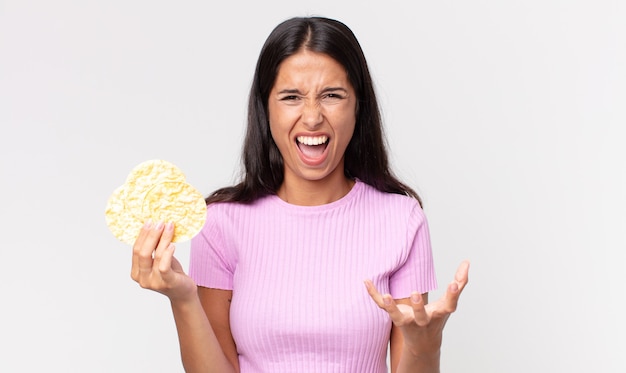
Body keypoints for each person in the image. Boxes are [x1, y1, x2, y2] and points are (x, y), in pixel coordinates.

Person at [131, 16, 469, 373]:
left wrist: (425, 344)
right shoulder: (220, 222)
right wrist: (183, 300)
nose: (312, 117)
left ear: (358, 106)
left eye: (332, 96)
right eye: (291, 97)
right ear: (266, 109)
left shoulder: (401, 220)